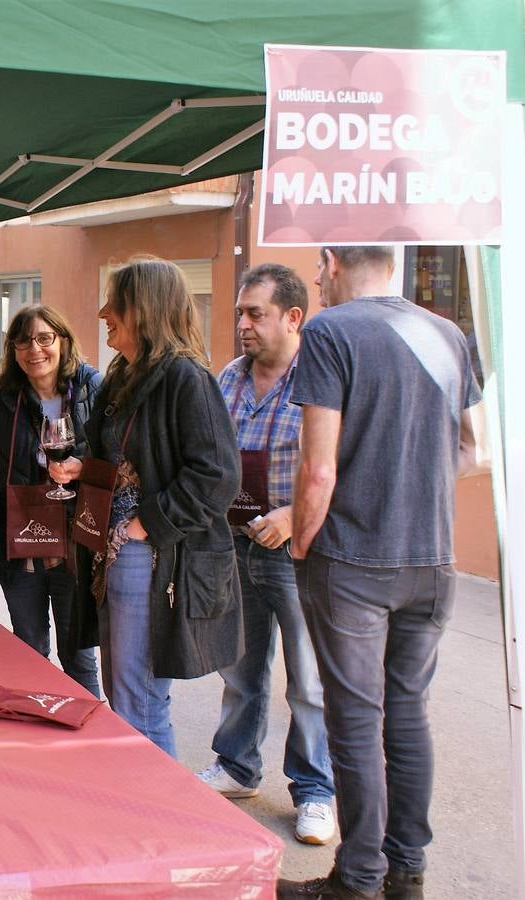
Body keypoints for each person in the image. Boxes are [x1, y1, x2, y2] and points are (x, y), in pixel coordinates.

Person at [278, 246, 486, 900]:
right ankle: (406, 875)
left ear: (334, 261)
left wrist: (302, 543)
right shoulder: (448, 332)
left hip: (353, 561)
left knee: (357, 724)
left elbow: (317, 470)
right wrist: (411, 482)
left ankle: (358, 879)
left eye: (317, 268)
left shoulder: (330, 331)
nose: (315, 280)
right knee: (408, 718)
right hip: (431, 560)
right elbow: (473, 448)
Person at [77, 257, 242, 757]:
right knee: (129, 694)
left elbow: (218, 475)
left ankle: (157, 821)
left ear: (144, 310)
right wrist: (80, 469)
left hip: (146, 557)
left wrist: (148, 523)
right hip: (117, 551)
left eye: (116, 304)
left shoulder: (185, 377)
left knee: (139, 701)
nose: (105, 312)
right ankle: (142, 809)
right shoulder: (127, 374)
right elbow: (116, 456)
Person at [195, 264, 336, 847]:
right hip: (234, 546)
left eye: (256, 313)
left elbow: (339, 466)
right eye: (240, 312)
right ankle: (237, 766)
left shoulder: (321, 380)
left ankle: (315, 791)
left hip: (297, 551)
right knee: (241, 668)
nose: (243, 324)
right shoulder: (229, 376)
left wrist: (290, 515)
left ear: (293, 317)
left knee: (306, 680)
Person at [0, 306, 102, 697]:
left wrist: (82, 468)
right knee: (29, 649)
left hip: (76, 546)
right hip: (20, 545)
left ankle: (89, 741)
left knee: (78, 655)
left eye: (45, 338)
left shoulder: (93, 391)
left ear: (62, 341)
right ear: (13, 349)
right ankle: (37, 740)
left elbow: (116, 461)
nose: (34, 348)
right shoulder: (1, 403)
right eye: (24, 340)